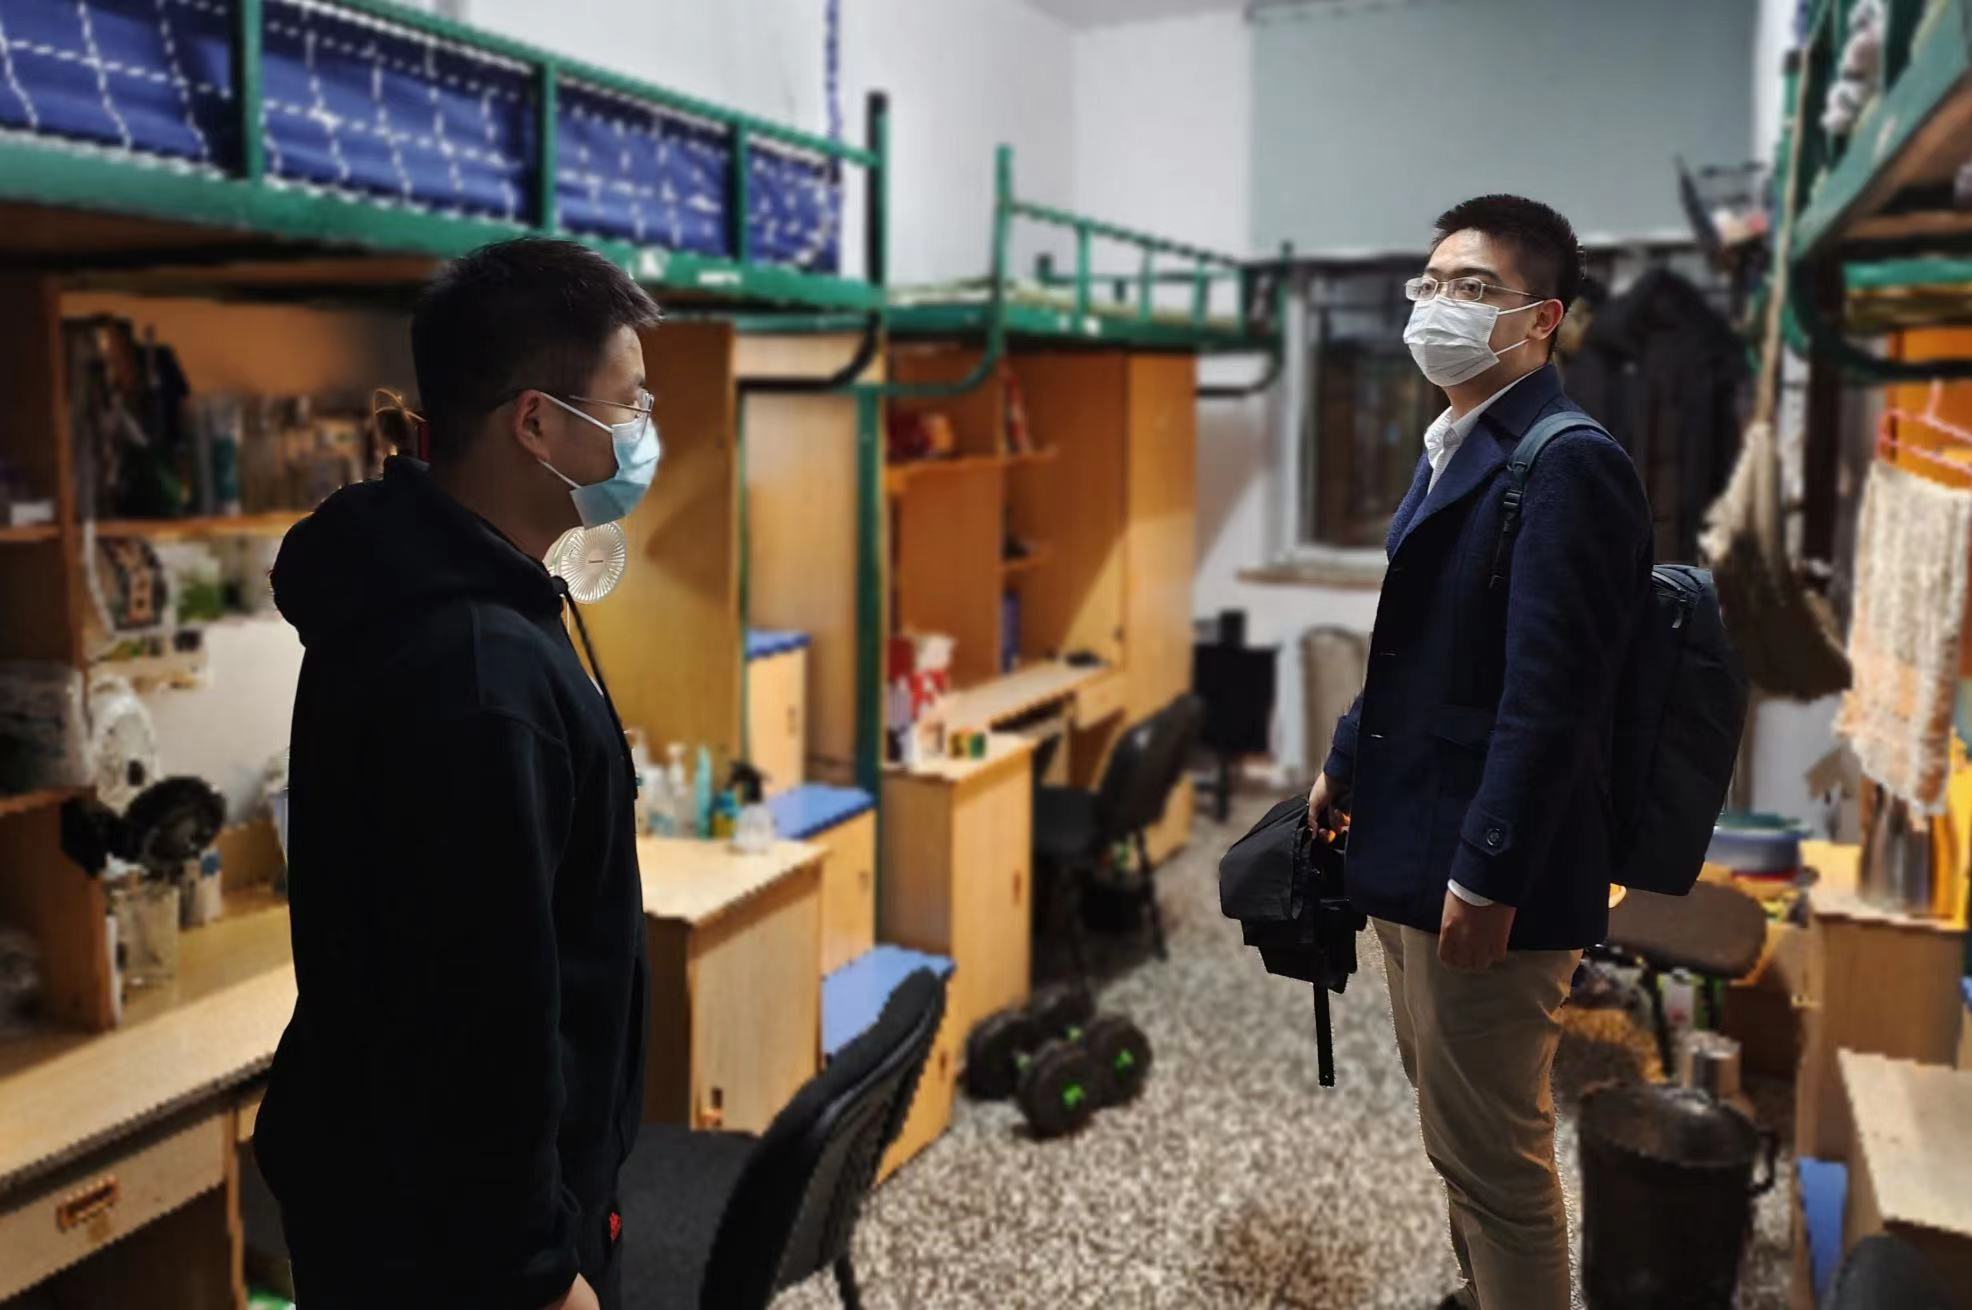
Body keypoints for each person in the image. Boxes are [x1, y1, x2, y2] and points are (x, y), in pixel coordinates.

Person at [255, 237, 664, 1310]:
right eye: (627, 404)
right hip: (456, 1255)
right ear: (536, 423)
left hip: (432, 1206)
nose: (642, 430)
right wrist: (539, 1274)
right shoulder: (478, 675)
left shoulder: (440, 590)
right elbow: (486, 1015)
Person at [1306, 196, 1651, 1310]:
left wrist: (1487, 873)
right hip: (1414, 836)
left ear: (1541, 318)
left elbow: (1553, 700)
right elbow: (1422, 647)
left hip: (1482, 866)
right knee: (1453, 1131)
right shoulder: (1458, 440)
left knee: (1497, 1164)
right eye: (1431, 282)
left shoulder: (1565, 462)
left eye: (1473, 288)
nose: (1437, 305)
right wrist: (1345, 759)